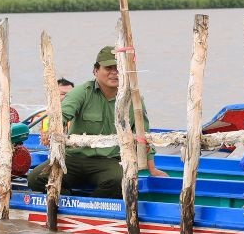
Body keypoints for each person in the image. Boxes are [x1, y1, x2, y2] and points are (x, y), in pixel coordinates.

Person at [25, 46, 167, 196]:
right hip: (74, 158)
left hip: (109, 161)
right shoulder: (82, 92)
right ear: (96, 71)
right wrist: (50, 130)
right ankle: (68, 199)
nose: (114, 73)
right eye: (108, 68)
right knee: (36, 178)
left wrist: (152, 169)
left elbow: (143, 135)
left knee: (121, 181)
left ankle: (94, 205)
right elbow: (63, 114)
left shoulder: (134, 99)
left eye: (118, 68)